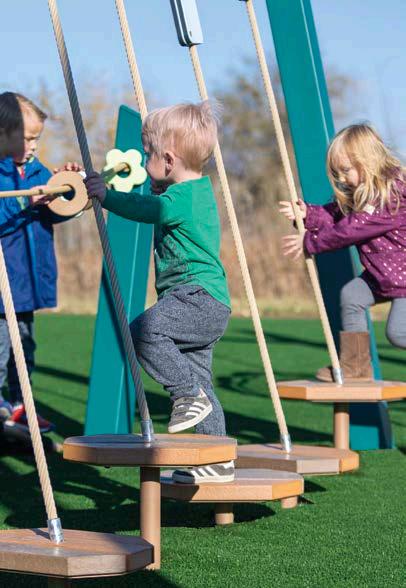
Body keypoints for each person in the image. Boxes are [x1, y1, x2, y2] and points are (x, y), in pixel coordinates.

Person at [85, 101, 234, 483]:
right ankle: (217, 460)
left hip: (195, 299)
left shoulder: (178, 199)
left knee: (144, 331)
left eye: (148, 152)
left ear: (168, 160)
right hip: (209, 302)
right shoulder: (192, 192)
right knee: (202, 380)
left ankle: (186, 394)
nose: (144, 157)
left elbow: (146, 209)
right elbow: (159, 204)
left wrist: (107, 197)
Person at [279, 123, 406, 381]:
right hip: (383, 277)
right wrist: (307, 213)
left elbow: (350, 230)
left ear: (367, 160)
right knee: (352, 295)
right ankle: (356, 367)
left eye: (346, 170)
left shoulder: (389, 196)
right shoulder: (361, 195)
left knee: (398, 332)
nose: (342, 179)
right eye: (337, 173)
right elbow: (336, 216)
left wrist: (309, 242)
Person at [0, 91, 75, 433]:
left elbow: (54, 212)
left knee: (24, 349)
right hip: (4, 283)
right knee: (2, 348)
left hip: (26, 283)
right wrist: (25, 202)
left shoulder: (35, 170)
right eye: (28, 138)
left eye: (36, 139)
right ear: (3, 134)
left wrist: (66, 189)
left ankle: (21, 405)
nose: (33, 146)